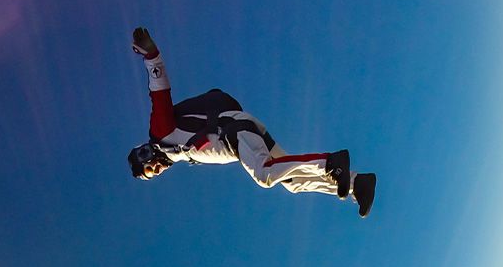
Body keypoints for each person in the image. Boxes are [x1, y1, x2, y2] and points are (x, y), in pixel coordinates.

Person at [128, 27, 376, 217]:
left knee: (264, 175)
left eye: (149, 168)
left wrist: (151, 55)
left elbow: (159, 93)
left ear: (145, 153)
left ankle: (330, 163)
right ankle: (357, 184)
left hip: (234, 133)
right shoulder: (177, 153)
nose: (157, 170)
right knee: (292, 183)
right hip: (242, 132)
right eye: (153, 175)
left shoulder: (161, 135)